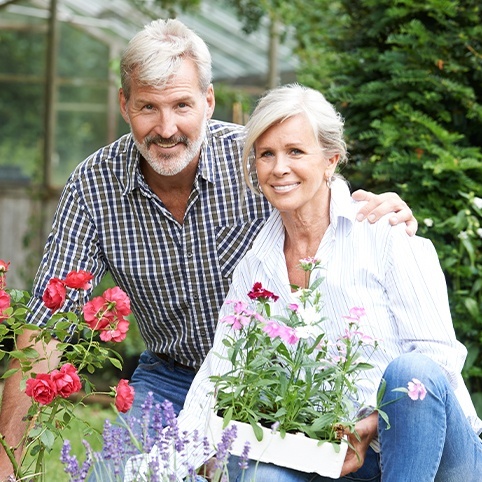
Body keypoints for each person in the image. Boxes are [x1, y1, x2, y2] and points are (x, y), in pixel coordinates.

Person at [0, 20, 416, 478]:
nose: (167, 127)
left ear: (209, 100)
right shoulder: (93, 186)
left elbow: (326, 210)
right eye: (147, 107)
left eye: (182, 105)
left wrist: (379, 211)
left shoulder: (257, 159)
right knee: (112, 473)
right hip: (171, 378)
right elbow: (47, 327)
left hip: (270, 380)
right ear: (124, 104)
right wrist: (7, 465)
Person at [126, 84, 482, 481]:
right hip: (334, 458)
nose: (279, 168)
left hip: (435, 454)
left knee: (411, 371)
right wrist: (157, 471)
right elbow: (218, 371)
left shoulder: (385, 233)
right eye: (266, 154)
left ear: (330, 160)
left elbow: (439, 368)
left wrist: (371, 424)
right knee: (258, 474)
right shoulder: (255, 267)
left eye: (295, 151)